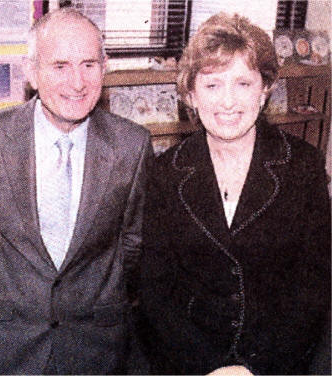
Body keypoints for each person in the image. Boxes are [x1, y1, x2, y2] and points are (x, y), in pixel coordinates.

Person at [0, 8, 153, 374]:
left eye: (89, 64)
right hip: (10, 336)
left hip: (94, 340)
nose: (77, 82)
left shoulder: (132, 145)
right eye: (60, 66)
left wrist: (89, 288)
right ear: (31, 72)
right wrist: (18, 272)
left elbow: (133, 240)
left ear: (104, 67)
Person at [139, 12, 330, 375]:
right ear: (191, 95)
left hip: (275, 364)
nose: (227, 102)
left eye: (243, 84)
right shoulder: (165, 172)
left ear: (265, 90)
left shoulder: (303, 166)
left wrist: (252, 369)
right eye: (212, 86)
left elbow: (313, 286)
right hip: (189, 365)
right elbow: (156, 293)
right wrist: (210, 369)